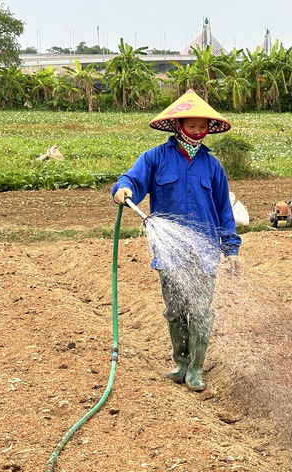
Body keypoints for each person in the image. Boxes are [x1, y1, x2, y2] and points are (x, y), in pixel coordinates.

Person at [112, 89, 241, 391]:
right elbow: (130, 180)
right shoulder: (155, 158)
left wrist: (231, 249)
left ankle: (196, 367)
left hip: (204, 249)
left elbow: (224, 210)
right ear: (178, 125)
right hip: (170, 249)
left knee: (199, 310)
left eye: (202, 127)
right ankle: (180, 362)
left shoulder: (212, 166)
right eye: (191, 126)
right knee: (174, 309)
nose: (197, 132)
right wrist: (123, 189)